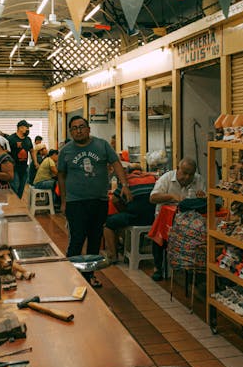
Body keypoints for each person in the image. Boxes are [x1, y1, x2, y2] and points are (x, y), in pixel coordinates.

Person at [57, 116, 132, 287]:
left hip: (99, 201)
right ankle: (71, 277)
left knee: (95, 240)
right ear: (71, 132)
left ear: (89, 129)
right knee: (77, 239)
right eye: (74, 128)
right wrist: (63, 201)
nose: (79, 130)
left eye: (82, 127)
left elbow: (116, 163)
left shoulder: (102, 145)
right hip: (75, 202)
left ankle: (89, 276)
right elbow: (61, 176)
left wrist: (125, 185)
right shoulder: (66, 151)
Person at [149, 157, 205, 281]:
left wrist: (202, 198)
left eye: (190, 174)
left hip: (189, 220)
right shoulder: (167, 178)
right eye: (184, 173)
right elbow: (152, 198)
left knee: (198, 234)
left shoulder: (199, 180)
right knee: (160, 234)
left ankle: (192, 269)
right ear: (178, 169)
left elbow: (204, 201)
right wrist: (171, 196)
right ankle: (158, 267)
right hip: (166, 217)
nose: (187, 177)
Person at [103, 166, 156, 263]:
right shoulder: (153, 178)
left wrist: (123, 210)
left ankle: (113, 256)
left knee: (109, 224)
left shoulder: (127, 181)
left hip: (135, 217)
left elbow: (114, 199)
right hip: (153, 218)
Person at [7, 120, 37, 198]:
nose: (28, 130)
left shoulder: (28, 139)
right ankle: (13, 206)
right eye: (27, 128)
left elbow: (32, 151)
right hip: (14, 168)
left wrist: (35, 162)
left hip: (24, 168)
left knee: (21, 189)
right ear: (20, 128)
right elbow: (5, 152)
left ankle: (18, 204)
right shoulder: (11, 139)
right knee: (15, 188)